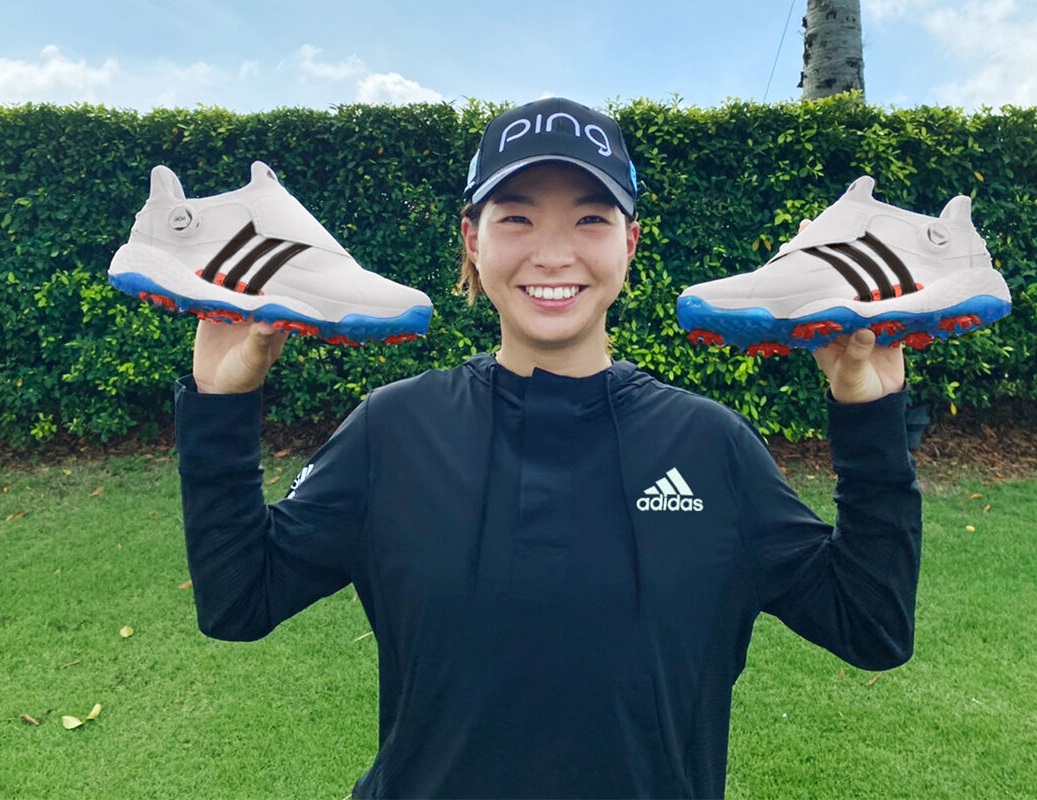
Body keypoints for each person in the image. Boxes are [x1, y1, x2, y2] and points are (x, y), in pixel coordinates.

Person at [175, 97, 920, 799]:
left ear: (630, 242)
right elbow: (240, 599)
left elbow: (871, 626)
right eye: (518, 219)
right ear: (474, 240)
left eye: (591, 219)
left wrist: (871, 415)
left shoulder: (709, 444)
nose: (554, 254)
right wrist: (221, 401)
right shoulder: (393, 430)